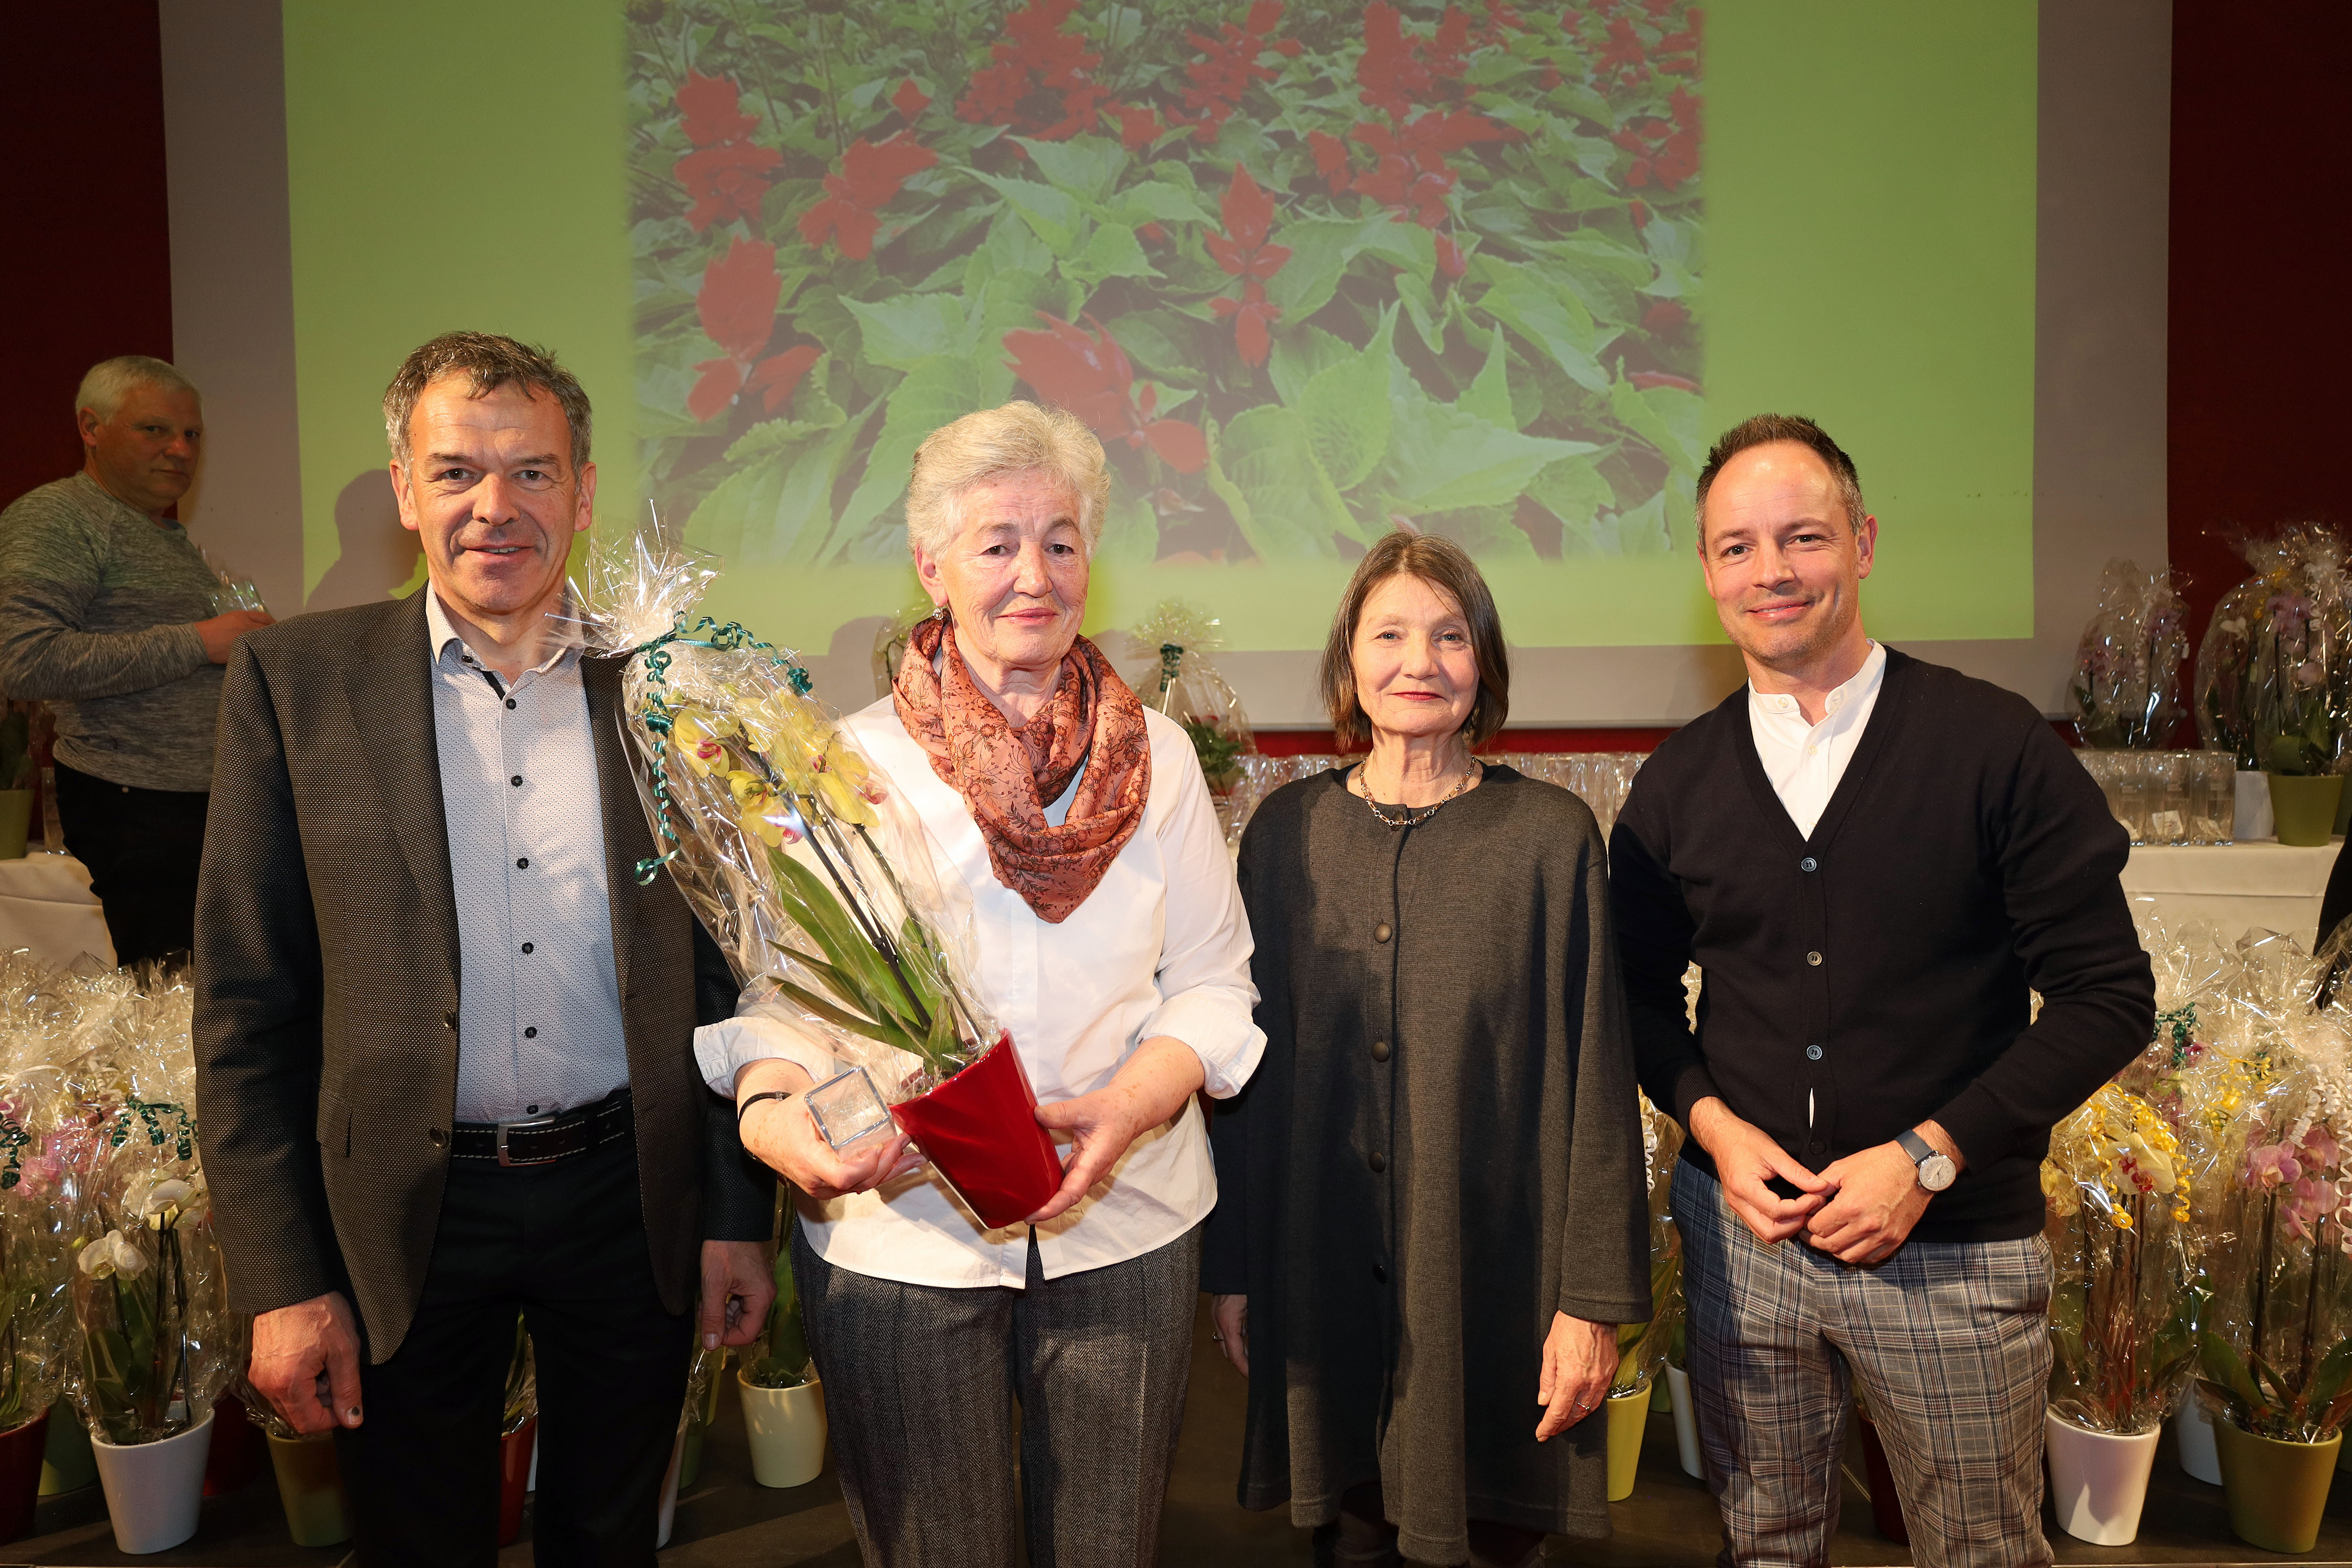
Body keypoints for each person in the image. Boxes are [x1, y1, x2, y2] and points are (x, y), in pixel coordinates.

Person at [193, 332, 776, 1567]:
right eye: (456, 472)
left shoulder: (665, 683)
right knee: (417, 1543)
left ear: (584, 489)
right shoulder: (298, 686)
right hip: (403, 1209)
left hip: (630, 1196)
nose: (494, 508)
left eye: (532, 472)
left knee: (612, 1535)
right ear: (404, 491)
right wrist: (282, 1278)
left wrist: (736, 1216)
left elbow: (727, 974)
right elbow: (248, 1005)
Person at [694, 401, 1262, 1568]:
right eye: (997, 543)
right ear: (931, 564)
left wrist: (1136, 1102)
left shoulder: (1157, 764)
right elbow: (784, 1004)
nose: (1032, 576)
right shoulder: (841, 765)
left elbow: (1214, 984)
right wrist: (773, 1115)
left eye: (1061, 541)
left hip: (1129, 1227)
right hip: (903, 1239)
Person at [1608, 414, 2156, 1568]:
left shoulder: (1995, 747)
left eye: (1802, 537)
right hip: (1743, 1248)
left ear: (1862, 543)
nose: (1773, 572)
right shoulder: (1678, 784)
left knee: (1980, 1552)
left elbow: (2110, 996)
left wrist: (1929, 1155)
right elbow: (1639, 1003)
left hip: (1954, 1252)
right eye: (1739, 547)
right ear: (1708, 573)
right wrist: (1712, 1130)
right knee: (1764, 1546)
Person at [1200, 531, 1649, 1568]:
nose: (1420, 662)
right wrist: (1237, 1270)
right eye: (1390, 633)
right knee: (1346, 1533)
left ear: (1484, 663)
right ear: (1348, 661)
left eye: (1450, 636)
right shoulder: (1284, 834)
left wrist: (1594, 1305)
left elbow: (1596, 1081)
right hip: (1322, 1279)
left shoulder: (1549, 839)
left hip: (1497, 1290)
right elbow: (1241, 1077)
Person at [0, 356, 274, 965]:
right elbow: (23, 660)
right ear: (91, 428)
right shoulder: (57, 519)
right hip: (135, 803)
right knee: (175, 1005)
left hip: (196, 800)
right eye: (154, 430)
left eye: (192, 435)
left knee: (219, 994)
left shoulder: (163, 536)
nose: (180, 449)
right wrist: (200, 642)